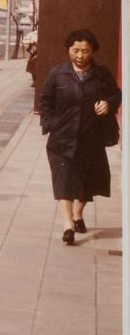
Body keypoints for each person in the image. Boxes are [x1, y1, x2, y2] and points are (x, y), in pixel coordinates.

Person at [39, 28, 121, 245]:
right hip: (61, 140)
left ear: (92, 51)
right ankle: (68, 227)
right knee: (63, 181)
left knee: (86, 182)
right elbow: (45, 101)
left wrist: (108, 103)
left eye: (85, 51)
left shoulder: (102, 74)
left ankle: (78, 214)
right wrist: (51, 124)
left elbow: (115, 93)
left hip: (90, 138)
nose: (80, 55)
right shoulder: (58, 73)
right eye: (75, 50)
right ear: (68, 49)